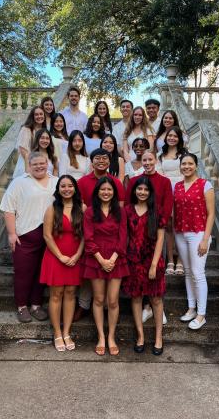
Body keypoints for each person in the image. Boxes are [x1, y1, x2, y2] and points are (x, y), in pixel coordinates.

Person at [0, 152, 58, 323]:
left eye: (42, 163)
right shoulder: (19, 182)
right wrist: (11, 234)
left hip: (50, 237)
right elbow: (8, 208)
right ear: (29, 166)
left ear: (48, 163)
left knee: (41, 273)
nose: (39, 166)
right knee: (24, 273)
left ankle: (36, 305)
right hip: (25, 236)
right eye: (35, 164)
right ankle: (22, 306)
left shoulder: (56, 181)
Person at [74, 148, 125, 321]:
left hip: (111, 237)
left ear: (110, 161)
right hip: (89, 230)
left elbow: (120, 207)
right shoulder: (82, 182)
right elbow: (77, 204)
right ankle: (83, 306)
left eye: (105, 158)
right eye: (98, 158)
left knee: (111, 297)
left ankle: (109, 314)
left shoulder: (115, 182)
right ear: (92, 161)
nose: (101, 161)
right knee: (90, 281)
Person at [82, 177, 129, 356]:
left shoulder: (120, 212)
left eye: (109, 190)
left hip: (117, 257)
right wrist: (102, 260)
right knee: (99, 299)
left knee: (113, 300)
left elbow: (123, 237)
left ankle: (111, 336)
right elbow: (88, 237)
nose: (106, 192)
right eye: (103, 190)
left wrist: (113, 258)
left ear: (114, 193)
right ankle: (101, 336)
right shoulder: (90, 212)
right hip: (96, 258)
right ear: (97, 192)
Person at [125, 149, 172, 325]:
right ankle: (146, 307)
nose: (147, 163)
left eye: (150, 159)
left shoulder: (164, 181)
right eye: (144, 160)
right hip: (138, 233)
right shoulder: (136, 181)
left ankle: (156, 306)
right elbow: (130, 204)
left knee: (156, 274)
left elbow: (167, 206)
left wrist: (157, 224)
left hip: (156, 230)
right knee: (138, 277)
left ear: (156, 161)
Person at [40, 175, 85, 351]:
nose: (67, 189)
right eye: (63, 186)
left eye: (70, 186)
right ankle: (57, 333)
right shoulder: (52, 208)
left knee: (71, 293)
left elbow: (85, 236)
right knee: (56, 294)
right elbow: (47, 235)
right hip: (55, 256)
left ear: (75, 188)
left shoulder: (82, 207)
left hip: (75, 257)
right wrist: (60, 256)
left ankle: (67, 332)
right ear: (58, 189)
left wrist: (77, 255)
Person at [123, 177, 166, 355]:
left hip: (152, 261)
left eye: (145, 189)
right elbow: (124, 237)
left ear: (150, 192)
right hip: (133, 261)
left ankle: (158, 337)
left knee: (155, 299)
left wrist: (154, 264)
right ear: (134, 191)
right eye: (139, 189)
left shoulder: (157, 212)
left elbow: (161, 238)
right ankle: (140, 335)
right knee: (136, 298)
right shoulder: (127, 210)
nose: (142, 192)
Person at [174, 152, 215, 330]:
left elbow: (211, 213)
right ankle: (191, 308)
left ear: (196, 165)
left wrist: (206, 239)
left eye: (190, 163)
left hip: (198, 233)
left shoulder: (205, 185)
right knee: (189, 272)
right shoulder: (177, 186)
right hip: (180, 232)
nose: (187, 167)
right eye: (184, 164)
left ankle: (201, 314)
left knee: (198, 273)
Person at [157, 126, 187, 275]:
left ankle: (180, 260)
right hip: (166, 192)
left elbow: (188, 173)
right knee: (168, 226)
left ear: (179, 138)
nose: (172, 138)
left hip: (181, 192)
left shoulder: (184, 155)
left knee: (180, 227)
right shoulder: (160, 155)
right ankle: (169, 259)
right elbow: (159, 175)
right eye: (170, 136)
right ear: (166, 137)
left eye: (175, 136)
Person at [13, 105, 46, 178]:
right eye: (36, 114)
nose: (39, 116)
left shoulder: (45, 130)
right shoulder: (26, 129)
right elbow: (23, 151)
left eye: (41, 114)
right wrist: (30, 168)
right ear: (32, 116)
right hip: (27, 164)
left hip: (40, 165)